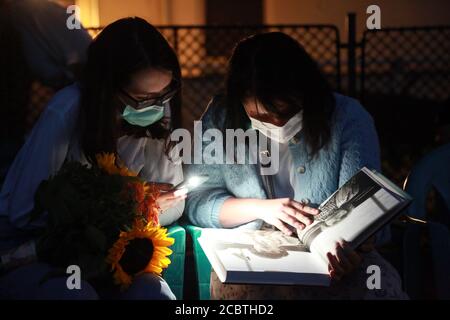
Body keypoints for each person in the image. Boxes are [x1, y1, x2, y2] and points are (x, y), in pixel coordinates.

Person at [185, 32, 407, 299]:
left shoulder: (348, 118)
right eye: (260, 116)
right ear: (238, 100)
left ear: (306, 93)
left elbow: (367, 213)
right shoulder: (222, 118)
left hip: (331, 258)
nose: (276, 123)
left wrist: (355, 247)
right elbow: (198, 201)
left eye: (286, 112)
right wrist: (263, 209)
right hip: (253, 254)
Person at [0, 17, 185, 300]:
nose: (156, 106)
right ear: (106, 88)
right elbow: (25, 213)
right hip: (36, 251)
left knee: (153, 294)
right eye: (140, 98)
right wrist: (133, 200)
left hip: (116, 252)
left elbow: (173, 206)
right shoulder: (66, 112)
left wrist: (147, 203)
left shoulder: (160, 112)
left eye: (164, 94)